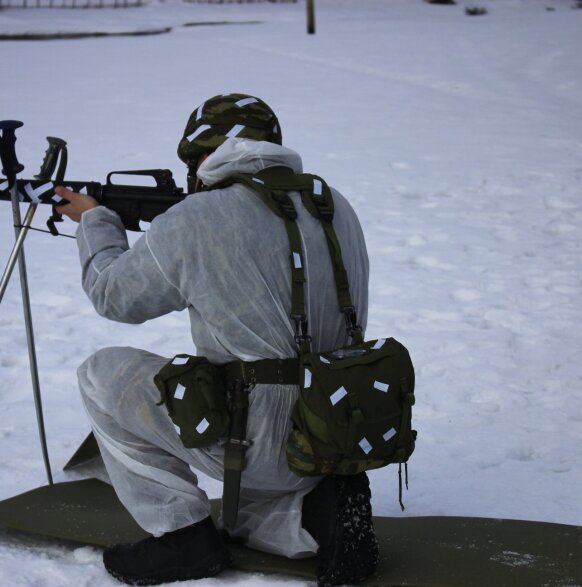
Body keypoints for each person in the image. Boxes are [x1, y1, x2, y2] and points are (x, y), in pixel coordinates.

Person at [55, 93, 378, 587]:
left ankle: (182, 536)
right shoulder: (334, 204)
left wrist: (96, 221)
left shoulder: (196, 217)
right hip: (331, 437)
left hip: (248, 443)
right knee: (242, 515)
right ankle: (315, 517)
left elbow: (114, 297)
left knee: (101, 374)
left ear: (202, 154)